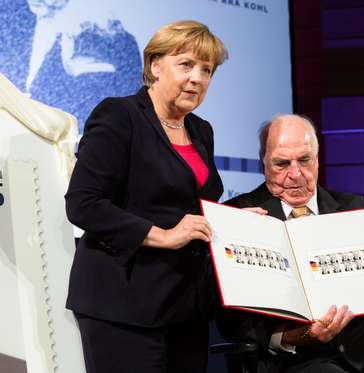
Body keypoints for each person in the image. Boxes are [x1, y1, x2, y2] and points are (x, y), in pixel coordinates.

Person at [218, 114, 364, 373]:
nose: (295, 174)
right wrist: (293, 336)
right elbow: (231, 321)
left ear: (317, 159)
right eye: (281, 164)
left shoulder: (353, 207)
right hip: (304, 358)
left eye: (304, 160)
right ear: (263, 163)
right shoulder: (238, 214)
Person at [65, 20, 227, 373]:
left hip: (186, 306)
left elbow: (190, 206)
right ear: (155, 65)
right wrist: (164, 236)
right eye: (186, 65)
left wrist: (239, 223)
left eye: (207, 70)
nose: (197, 78)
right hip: (123, 302)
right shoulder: (119, 116)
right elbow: (83, 203)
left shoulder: (201, 130)